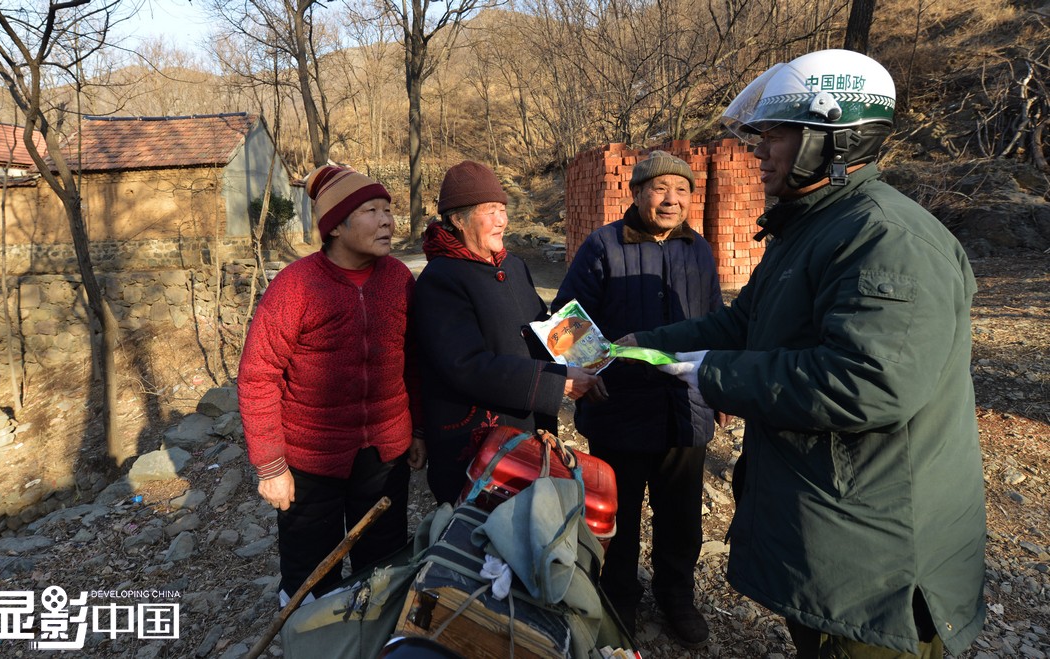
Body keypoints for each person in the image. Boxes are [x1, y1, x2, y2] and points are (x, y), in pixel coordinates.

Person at [622, 49, 986, 658]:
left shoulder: (886, 238)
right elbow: (743, 323)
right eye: (759, 136)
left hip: (879, 562)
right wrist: (643, 346)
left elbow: (866, 381)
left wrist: (712, 375)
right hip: (834, 533)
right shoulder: (813, 227)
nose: (758, 153)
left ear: (833, 139)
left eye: (775, 135)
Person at [551, 150, 723, 647]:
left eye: (682, 190)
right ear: (638, 192)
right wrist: (587, 369)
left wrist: (721, 380)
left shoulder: (700, 250)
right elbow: (565, 317)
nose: (671, 200)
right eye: (660, 188)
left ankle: (677, 596)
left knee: (682, 517)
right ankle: (617, 598)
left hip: (684, 409)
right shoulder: (604, 245)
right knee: (617, 517)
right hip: (619, 406)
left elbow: (716, 318)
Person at [238, 165, 426, 606]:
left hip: (384, 453)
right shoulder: (297, 285)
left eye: (388, 209)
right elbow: (258, 374)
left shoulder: (398, 279)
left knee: (380, 568)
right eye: (371, 211)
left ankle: (372, 639)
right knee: (311, 575)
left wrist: (416, 429)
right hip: (311, 462)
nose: (386, 220)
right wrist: (270, 467)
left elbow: (414, 360)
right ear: (336, 227)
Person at [411, 160, 598, 504]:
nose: (502, 220)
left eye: (502, 209)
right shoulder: (442, 279)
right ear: (457, 219)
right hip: (477, 440)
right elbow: (465, 365)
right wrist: (557, 382)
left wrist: (590, 352)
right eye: (490, 211)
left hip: (526, 432)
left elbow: (538, 326)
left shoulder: (512, 265)